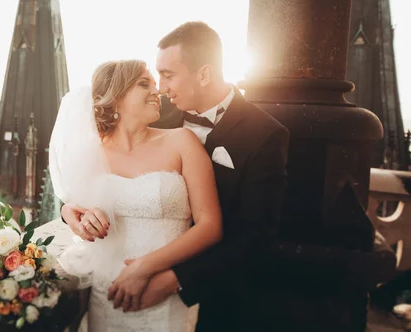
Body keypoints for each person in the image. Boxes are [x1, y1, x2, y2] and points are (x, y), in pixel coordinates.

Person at [62, 22, 290, 331]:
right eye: (154, 79)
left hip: (210, 295)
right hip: (111, 292)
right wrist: (70, 214)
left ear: (204, 74)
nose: (160, 88)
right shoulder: (154, 115)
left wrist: (175, 280)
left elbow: (253, 235)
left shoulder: (264, 135)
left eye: (168, 76)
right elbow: (88, 184)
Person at [49, 59, 223, 331]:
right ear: (116, 96)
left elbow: (210, 226)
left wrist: (144, 269)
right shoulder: (90, 153)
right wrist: (73, 213)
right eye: (145, 84)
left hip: (163, 295)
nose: (158, 91)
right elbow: (75, 204)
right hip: (107, 296)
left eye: (155, 84)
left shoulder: (181, 141)